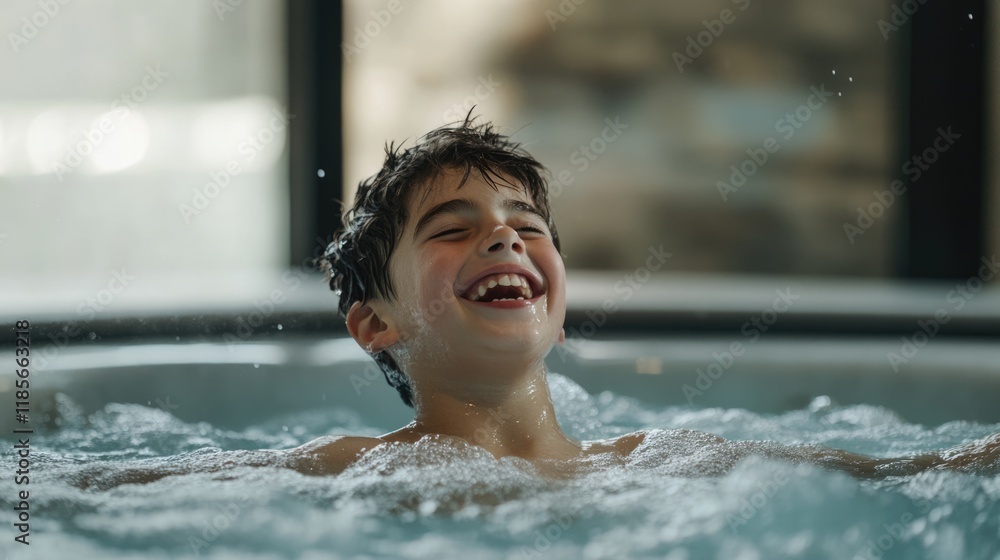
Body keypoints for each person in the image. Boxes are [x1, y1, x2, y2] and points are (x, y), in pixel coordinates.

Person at [73, 115, 999, 490]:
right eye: (452, 227)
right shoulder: (351, 465)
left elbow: (904, 472)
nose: (505, 237)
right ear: (375, 324)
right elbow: (99, 491)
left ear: (556, 302)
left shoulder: (667, 454)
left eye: (526, 222)